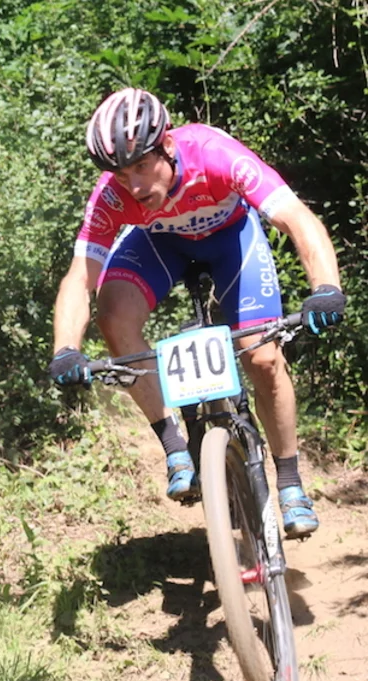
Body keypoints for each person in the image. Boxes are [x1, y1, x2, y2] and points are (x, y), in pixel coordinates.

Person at [47, 87, 346, 538]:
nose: (134, 186)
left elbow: (297, 219)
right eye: (121, 174)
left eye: (141, 167)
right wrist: (66, 348)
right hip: (159, 244)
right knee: (114, 317)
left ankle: (289, 480)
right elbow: (79, 276)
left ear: (167, 145)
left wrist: (325, 289)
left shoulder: (214, 154)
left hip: (231, 239)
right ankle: (174, 446)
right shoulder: (112, 195)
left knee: (262, 357)